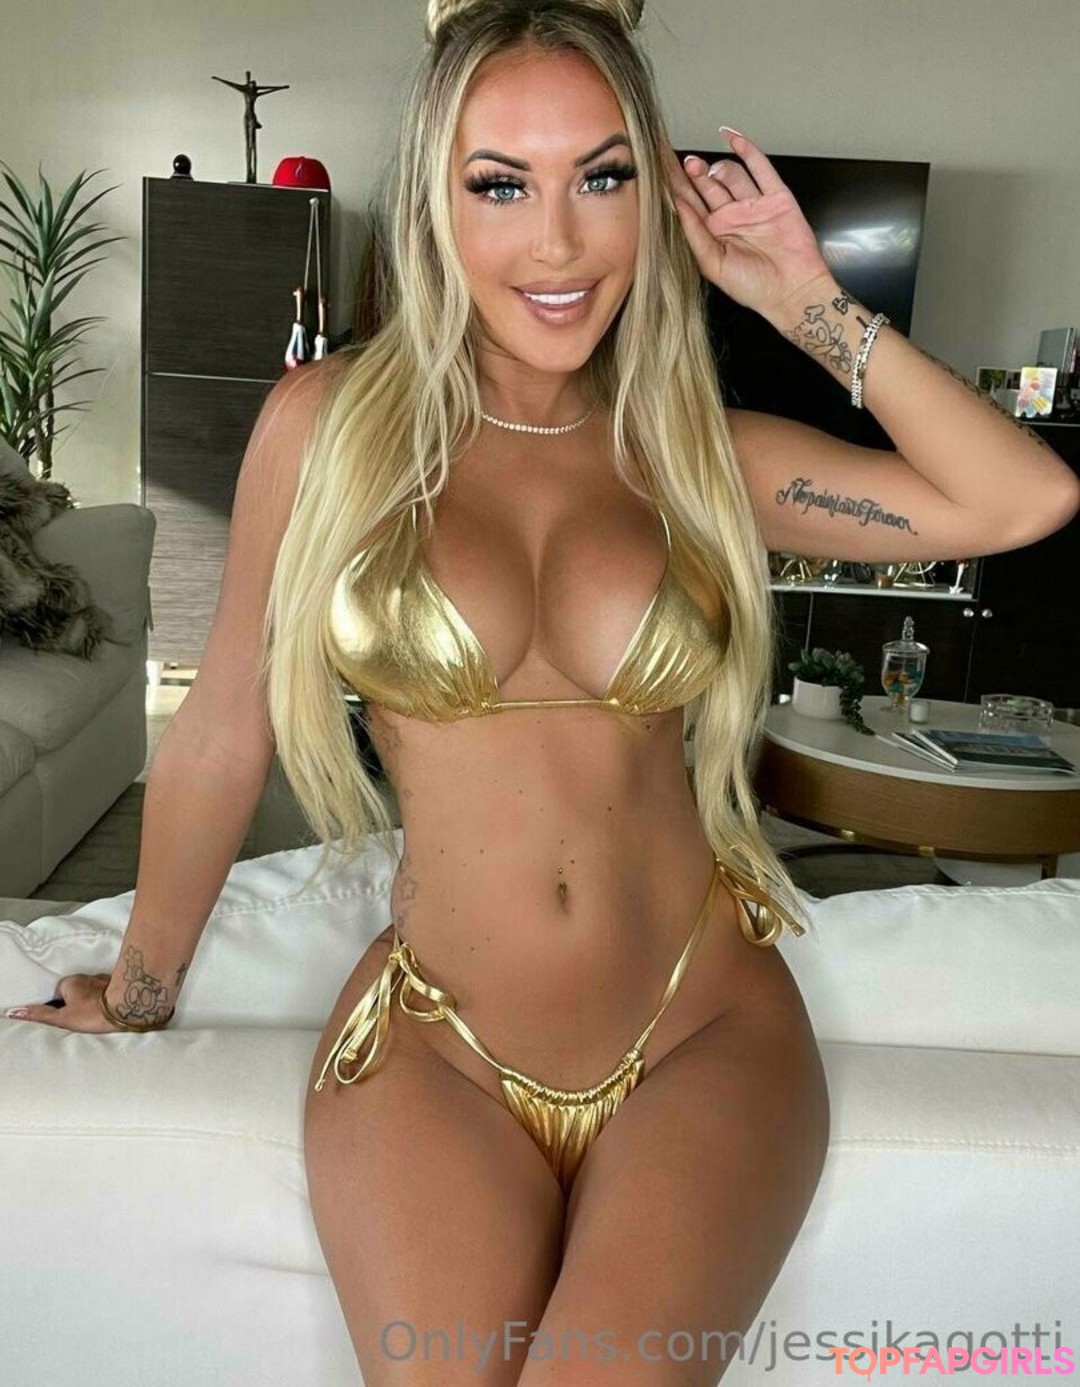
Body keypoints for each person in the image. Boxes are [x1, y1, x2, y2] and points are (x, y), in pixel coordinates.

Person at [10, 0, 1079, 1382]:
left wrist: (798, 299)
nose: (559, 242)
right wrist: (141, 992)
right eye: (500, 184)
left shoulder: (700, 451)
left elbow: (1021, 498)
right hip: (435, 1046)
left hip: (703, 1028)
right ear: (434, 203)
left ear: (654, 195)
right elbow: (222, 727)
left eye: (604, 176)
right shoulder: (330, 428)